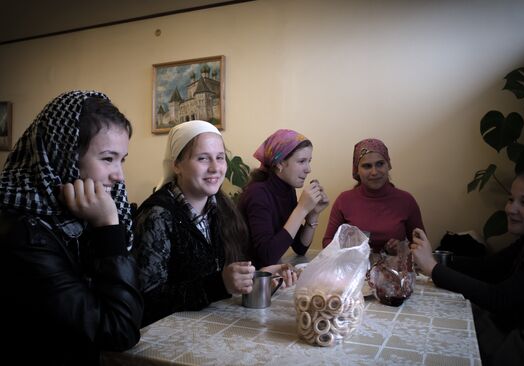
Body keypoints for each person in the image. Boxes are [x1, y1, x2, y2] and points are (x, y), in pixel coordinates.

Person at [0, 91, 143, 366]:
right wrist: (108, 230)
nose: (119, 175)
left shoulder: (77, 216)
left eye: (121, 159)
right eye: (107, 158)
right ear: (64, 155)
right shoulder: (24, 234)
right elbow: (118, 330)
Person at [132, 121, 295, 326]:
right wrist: (220, 284)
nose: (215, 168)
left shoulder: (220, 208)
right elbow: (148, 301)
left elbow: (221, 271)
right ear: (177, 164)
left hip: (205, 324)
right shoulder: (156, 216)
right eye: (202, 158)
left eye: (220, 158)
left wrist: (262, 274)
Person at [411, 167, 524, 366]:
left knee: (445, 330)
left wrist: (433, 268)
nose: (511, 209)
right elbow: (489, 267)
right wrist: (436, 259)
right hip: (515, 329)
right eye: (511, 199)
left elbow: (500, 298)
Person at [238, 129, 329, 268]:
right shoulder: (257, 194)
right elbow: (268, 256)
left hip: (267, 275)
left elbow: (300, 247)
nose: (308, 169)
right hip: (248, 280)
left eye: (309, 161)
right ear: (280, 163)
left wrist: (312, 214)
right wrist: (302, 208)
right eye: (301, 161)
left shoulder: (287, 189)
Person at [322, 138, 424, 253]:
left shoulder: (406, 201)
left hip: (394, 269)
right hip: (354, 269)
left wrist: (402, 248)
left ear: (388, 165)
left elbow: (421, 246)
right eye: (367, 166)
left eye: (380, 164)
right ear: (357, 170)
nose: (374, 172)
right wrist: (350, 247)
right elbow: (327, 243)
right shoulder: (344, 200)